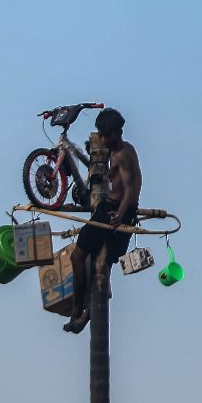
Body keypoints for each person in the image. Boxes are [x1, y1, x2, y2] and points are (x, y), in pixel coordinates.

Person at [63, 108, 142, 334]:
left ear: (119, 133)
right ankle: (82, 317)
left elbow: (129, 191)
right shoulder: (121, 150)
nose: (104, 139)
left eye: (108, 136)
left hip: (114, 210)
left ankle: (78, 310)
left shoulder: (122, 155)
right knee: (102, 267)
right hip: (117, 209)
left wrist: (119, 214)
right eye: (102, 135)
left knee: (77, 256)